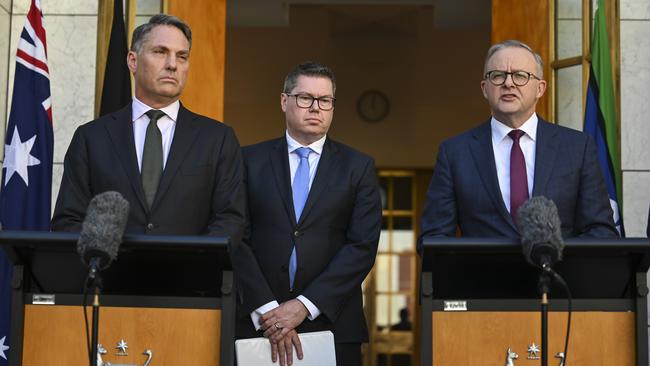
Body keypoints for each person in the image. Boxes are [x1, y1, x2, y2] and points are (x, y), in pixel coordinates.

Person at [234, 62, 382, 366]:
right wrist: (268, 310)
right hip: (258, 322)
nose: (316, 108)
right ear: (284, 101)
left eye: (325, 100)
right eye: (305, 98)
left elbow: (362, 246)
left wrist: (304, 305)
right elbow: (237, 237)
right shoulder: (248, 161)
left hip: (332, 321)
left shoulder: (358, 167)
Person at [52, 14, 245, 242]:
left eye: (182, 56)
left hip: (187, 275)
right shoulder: (91, 137)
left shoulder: (218, 139)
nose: (172, 64)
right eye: (160, 52)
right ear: (133, 61)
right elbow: (69, 220)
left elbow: (231, 219)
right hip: (112, 275)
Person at [419, 40, 618, 245]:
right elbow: (434, 238)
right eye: (497, 75)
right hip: (482, 275)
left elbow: (600, 230)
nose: (508, 83)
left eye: (520, 76)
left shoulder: (578, 148)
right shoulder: (454, 153)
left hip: (557, 274)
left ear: (540, 88)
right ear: (485, 88)